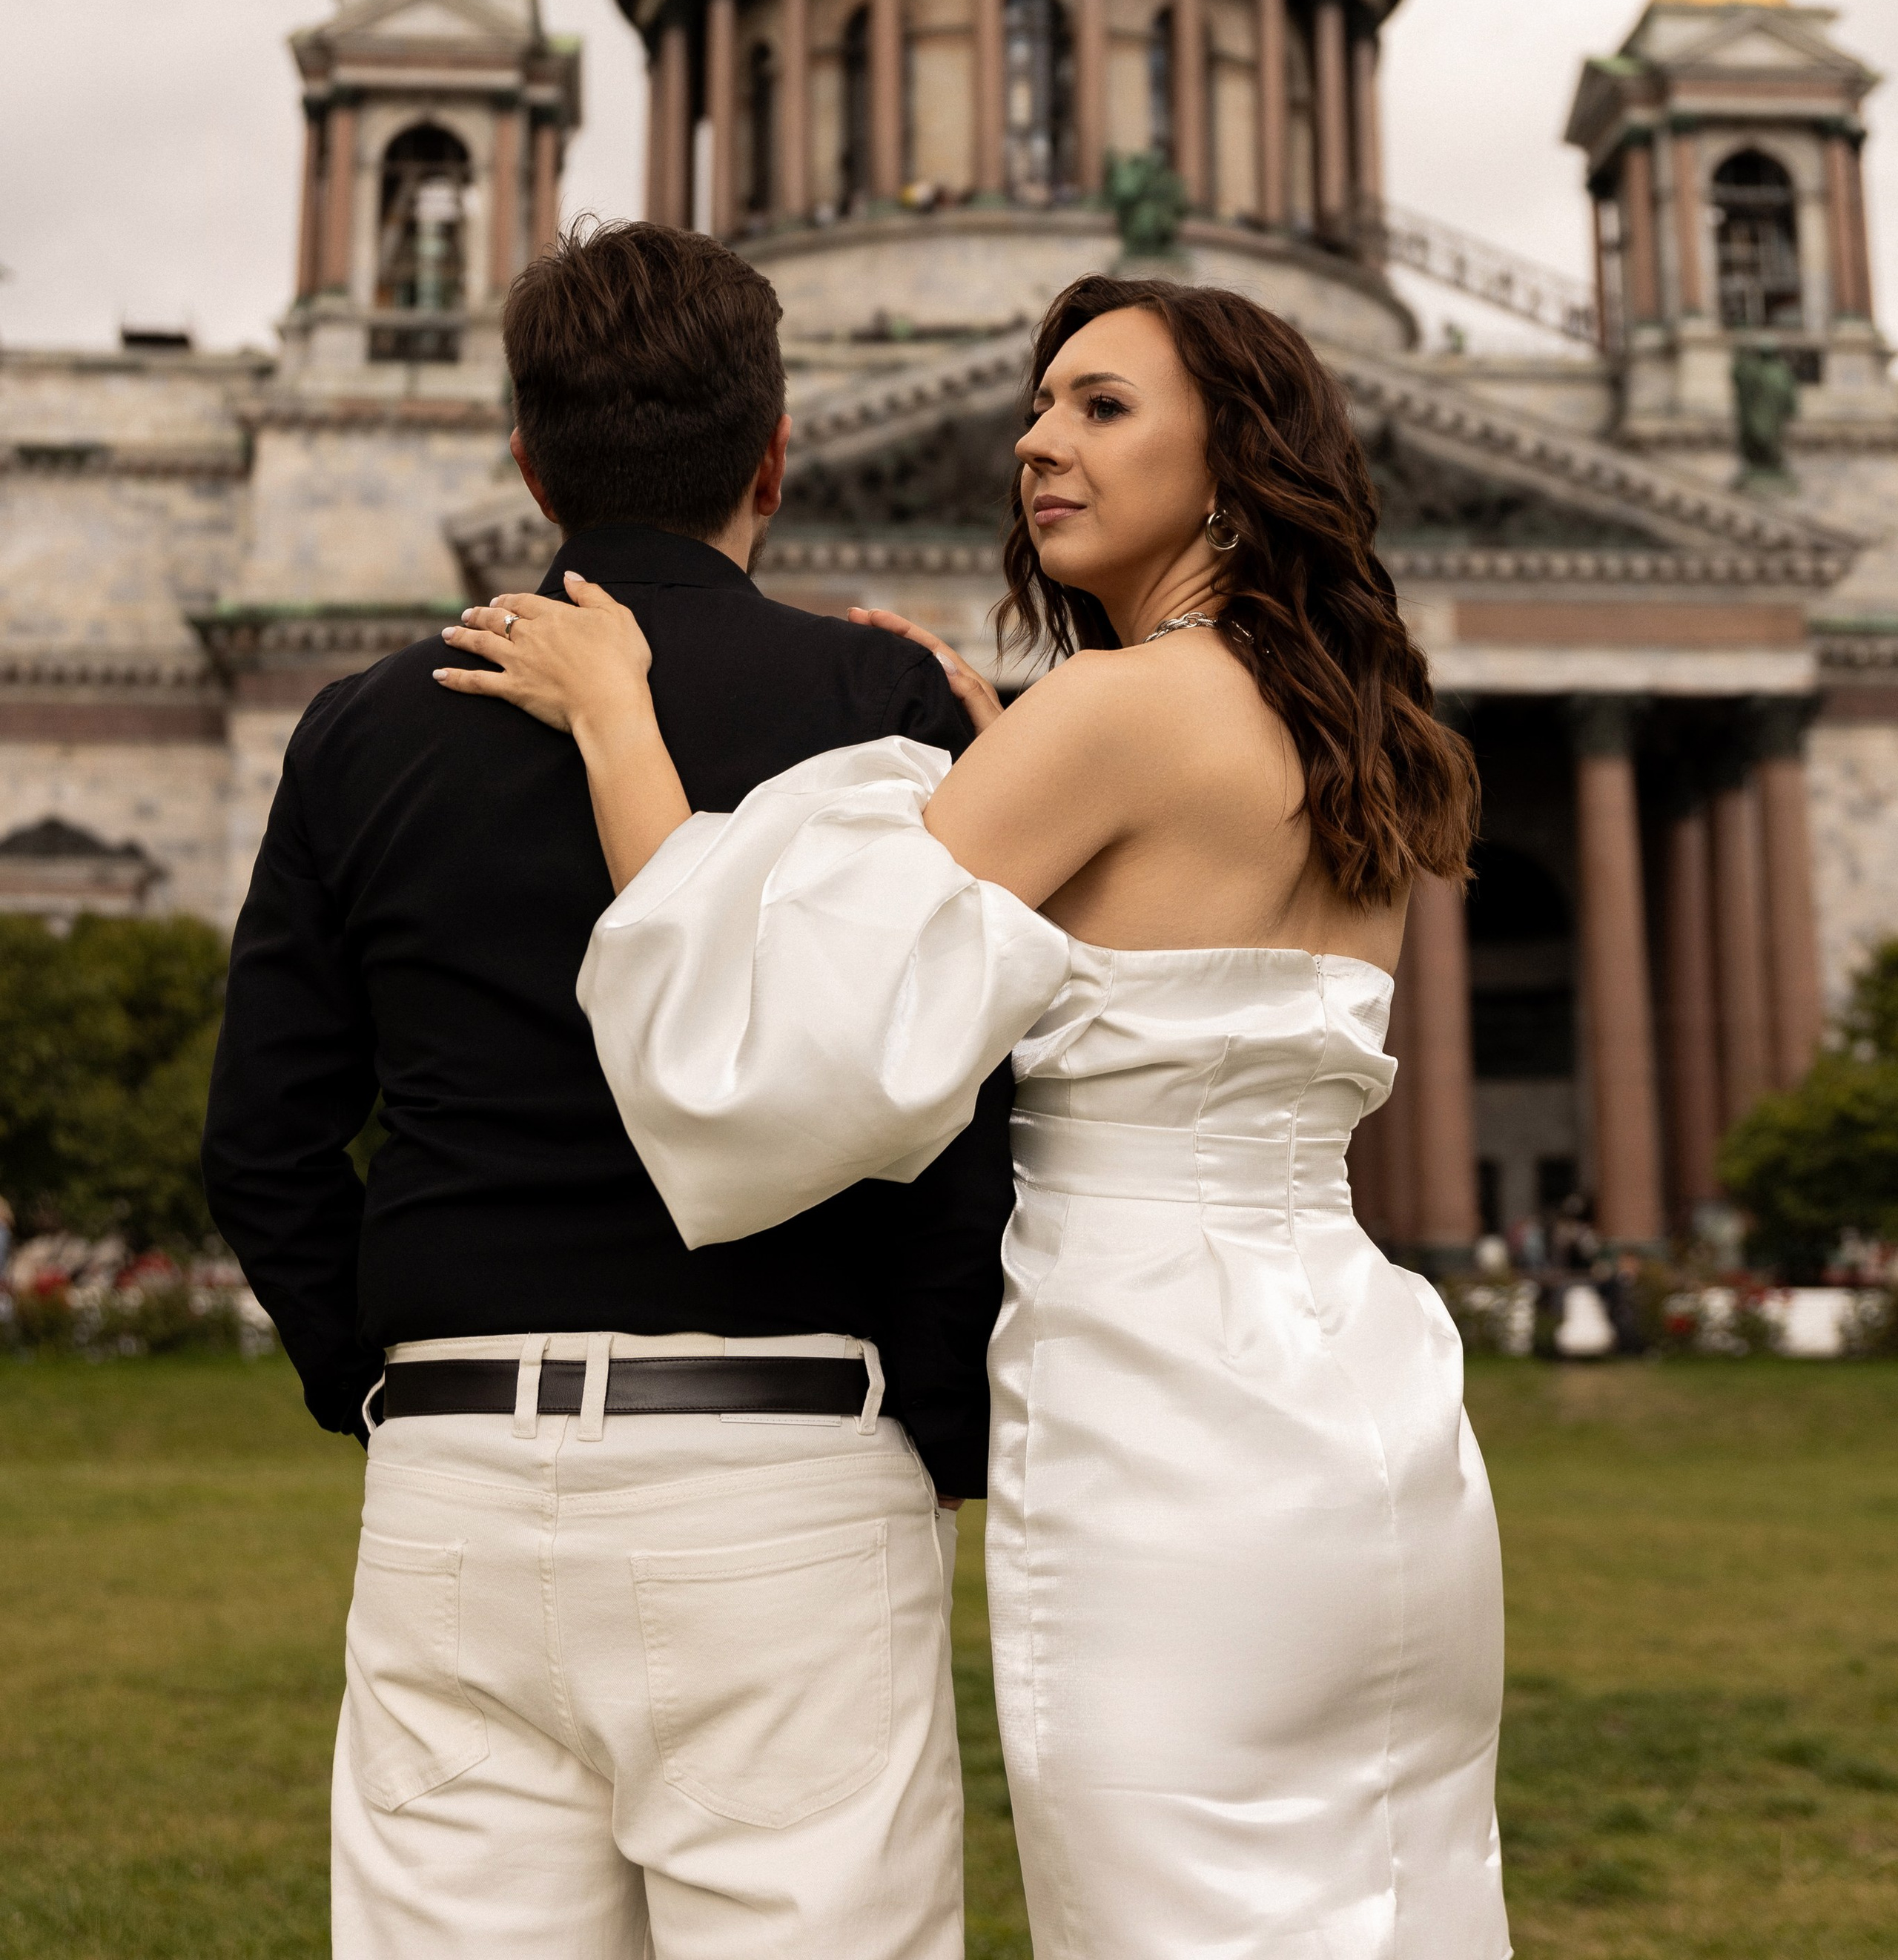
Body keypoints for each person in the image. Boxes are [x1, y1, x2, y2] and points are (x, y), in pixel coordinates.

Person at [439, 272, 1512, 1960]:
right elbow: (1154, 918)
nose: (1034, 444)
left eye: (1097, 407)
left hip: (1160, 1425)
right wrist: (1005, 734)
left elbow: (765, 1029)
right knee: (1375, 1894)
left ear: (1228, 455)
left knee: (1174, 1918)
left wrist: (612, 712)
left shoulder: (1114, 713)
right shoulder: (1355, 721)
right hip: (1366, 1415)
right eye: (1036, 407)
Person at [202, 222, 1011, 1960]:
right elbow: (968, 1117)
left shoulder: (360, 726)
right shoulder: (868, 701)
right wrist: (937, 1421)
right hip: (785, 1459)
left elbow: (261, 1142)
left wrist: (385, 1385)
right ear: (774, 457)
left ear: (526, 458)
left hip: (452, 1479)